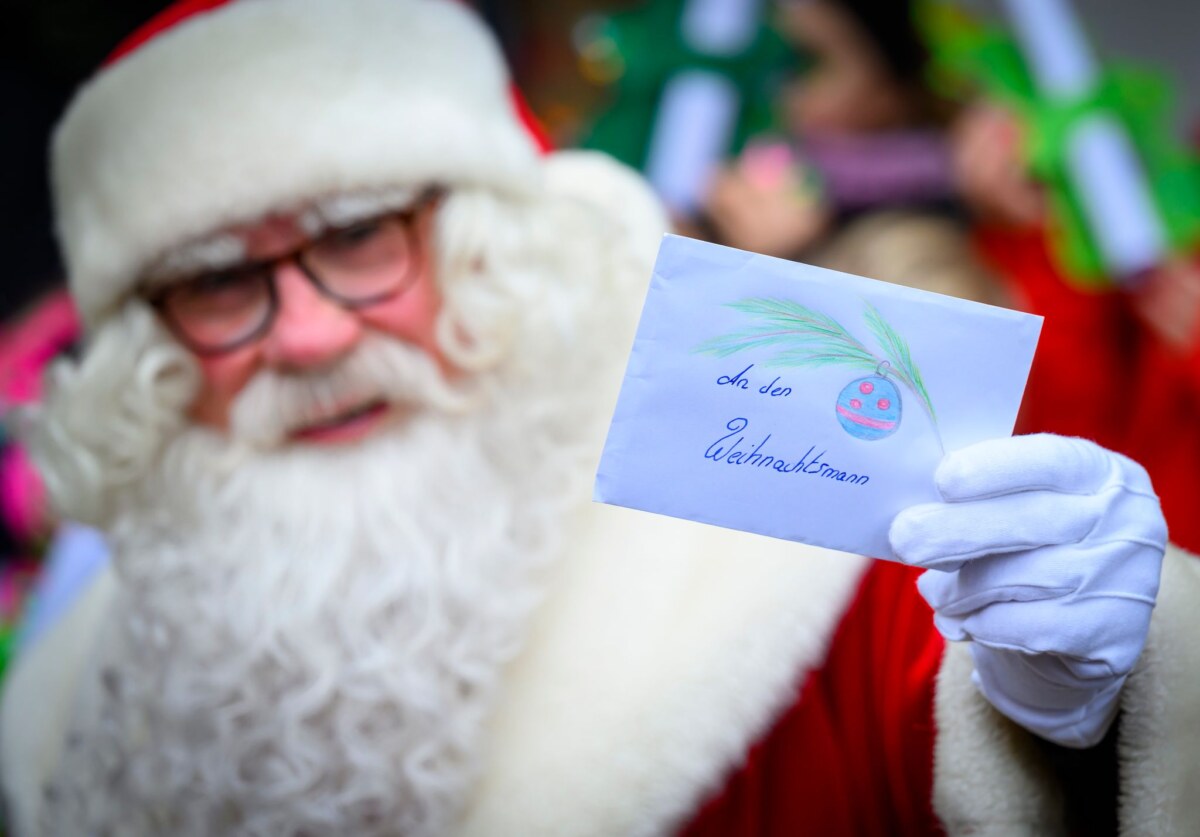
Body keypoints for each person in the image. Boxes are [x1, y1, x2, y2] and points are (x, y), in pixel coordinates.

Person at [2, 1, 1196, 835]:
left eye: (361, 235)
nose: (308, 337)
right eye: (219, 280)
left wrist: (1077, 699)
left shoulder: (770, 546)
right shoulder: (64, 714)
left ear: (489, 252)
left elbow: (948, 702)